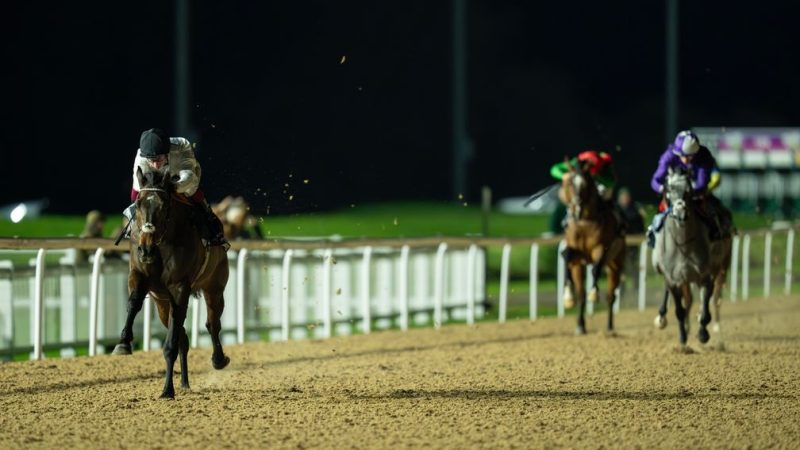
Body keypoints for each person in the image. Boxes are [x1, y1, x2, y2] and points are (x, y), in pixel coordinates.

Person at [123, 128, 229, 249]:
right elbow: (139, 186)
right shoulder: (141, 157)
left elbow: (189, 178)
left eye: (159, 159)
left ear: (167, 152)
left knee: (193, 193)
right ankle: (131, 223)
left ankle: (210, 222)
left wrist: (171, 188)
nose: (156, 165)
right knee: (136, 194)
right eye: (152, 160)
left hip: (181, 175)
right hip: (156, 179)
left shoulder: (182, 146)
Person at [646, 130, 731, 248]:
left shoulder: (704, 155)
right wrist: (663, 190)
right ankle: (653, 232)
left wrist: (689, 192)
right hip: (673, 192)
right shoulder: (669, 155)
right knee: (662, 210)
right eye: (681, 155)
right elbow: (655, 180)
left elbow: (702, 184)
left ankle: (714, 232)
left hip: (695, 193)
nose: (685, 159)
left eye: (689, 156)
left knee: (709, 210)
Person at [550, 150, 625, 231]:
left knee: (605, 196)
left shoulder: (605, 163)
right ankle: (569, 215)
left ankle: (617, 220)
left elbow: (611, 182)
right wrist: (563, 175)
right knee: (574, 192)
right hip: (583, 186)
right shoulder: (576, 163)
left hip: (601, 186)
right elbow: (554, 169)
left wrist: (596, 176)